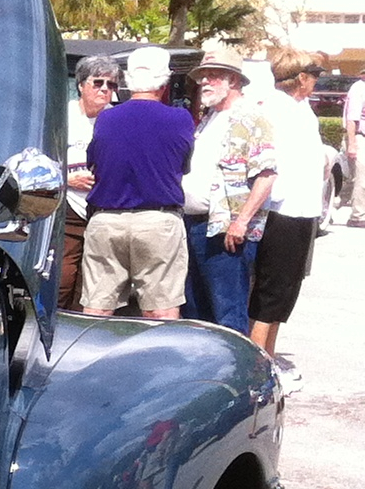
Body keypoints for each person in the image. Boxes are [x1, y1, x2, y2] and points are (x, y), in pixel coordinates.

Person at [78, 46, 196, 321]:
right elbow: (183, 165)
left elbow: (93, 163)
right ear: (165, 81)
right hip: (158, 220)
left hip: (107, 219)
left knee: (96, 308)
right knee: (161, 310)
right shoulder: (179, 118)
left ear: (128, 80)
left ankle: (92, 360)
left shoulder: (106, 117)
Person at [180, 55, 275, 336]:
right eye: (203, 77)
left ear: (232, 80)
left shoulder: (251, 117)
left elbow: (267, 175)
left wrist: (241, 221)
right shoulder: (209, 119)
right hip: (195, 225)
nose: (205, 82)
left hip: (226, 231)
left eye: (212, 76)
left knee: (228, 314)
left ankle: (233, 374)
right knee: (195, 312)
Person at [250, 49, 330, 369]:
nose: (316, 82)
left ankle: (268, 359)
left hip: (302, 210)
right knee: (270, 294)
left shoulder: (301, 110)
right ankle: (257, 368)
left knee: (285, 293)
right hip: (282, 211)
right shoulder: (275, 109)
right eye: (314, 75)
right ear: (301, 78)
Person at [59, 55, 124, 307]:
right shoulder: (62, 116)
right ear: (81, 85)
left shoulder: (117, 119)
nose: (105, 89)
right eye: (98, 83)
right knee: (64, 275)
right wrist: (67, 180)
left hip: (105, 208)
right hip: (68, 207)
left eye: (112, 84)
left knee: (95, 280)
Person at [343, 71, 365, 226]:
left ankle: (334, 203)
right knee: (361, 179)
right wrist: (352, 144)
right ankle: (358, 216)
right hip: (359, 136)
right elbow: (352, 118)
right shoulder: (359, 88)